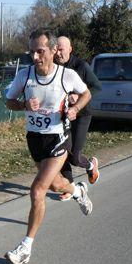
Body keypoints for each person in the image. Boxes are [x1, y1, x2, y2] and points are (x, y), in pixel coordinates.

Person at [4, 29, 93, 264]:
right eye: (31, 51)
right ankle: (78, 191)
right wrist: (24, 105)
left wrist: (75, 109)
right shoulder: (25, 75)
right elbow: (8, 101)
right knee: (55, 185)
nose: (35, 57)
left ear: (53, 50)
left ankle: (25, 247)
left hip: (58, 140)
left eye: (40, 51)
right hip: (34, 139)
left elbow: (86, 93)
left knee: (37, 190)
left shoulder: (67, 76)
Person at [54, 36, 102, 201]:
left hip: (82, 114)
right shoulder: (54, 67)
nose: (58, 53)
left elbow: (96, 87)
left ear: (70, 49)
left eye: (61, 49)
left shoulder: (81, 66)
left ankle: (90, 165)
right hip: (63, 116)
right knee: (61, 152)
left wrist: (79, 96)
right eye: (56, 49)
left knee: (74, 156)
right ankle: (70, 186)